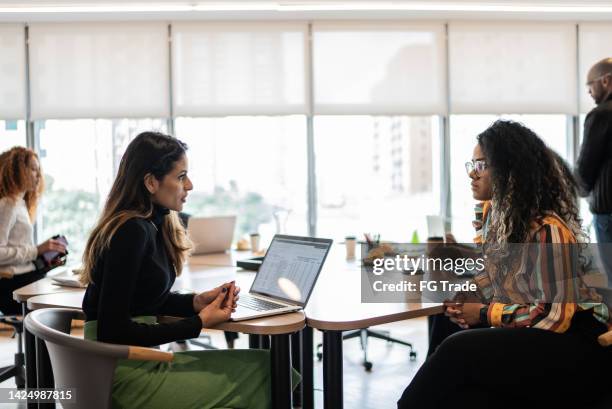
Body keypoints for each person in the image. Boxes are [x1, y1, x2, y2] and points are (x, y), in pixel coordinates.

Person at [398, 121, 611, 409]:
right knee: (446, 319)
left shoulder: (548, 230)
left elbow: (555, 319)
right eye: (472, 164)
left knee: (456, 349)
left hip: (577, 349)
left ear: (510, 171)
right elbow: (497, 277)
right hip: (542, 337)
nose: (472, 174)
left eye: (482, 165)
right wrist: (466, 296)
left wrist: (485, 314)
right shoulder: (502, 219)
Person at [80, 132, 291, 409]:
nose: (189, 185)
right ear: (151, 182)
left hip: (127, 362)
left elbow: (142, 300)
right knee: (270, 370)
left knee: (268, 366)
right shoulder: (131, 231)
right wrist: (199, 323)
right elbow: (113, 329)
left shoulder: (149, 224)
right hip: (120, 373)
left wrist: (195, 302)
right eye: (181, 177)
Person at [0, 146, 67, 315]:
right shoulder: (8, 204)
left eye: (39, 170)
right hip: (13, 285)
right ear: (18, 170)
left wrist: (42, 258)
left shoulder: (20, 204)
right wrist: (37, 250)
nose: (39, 175)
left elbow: (20, 248)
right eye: (33, 169)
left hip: (25, 277)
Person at [576, 57, 612, 285]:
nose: (589, 92)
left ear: (606, 81)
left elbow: (587, 165)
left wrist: (580, 188)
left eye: (590, 85)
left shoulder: (602, 114)